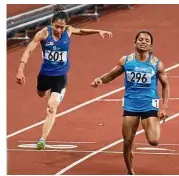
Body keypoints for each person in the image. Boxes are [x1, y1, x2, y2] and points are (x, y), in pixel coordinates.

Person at [15, 5, 113, 150]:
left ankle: (42, 139)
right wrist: (20, 70)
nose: (59, 30)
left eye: (62, 27)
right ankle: (50, 94)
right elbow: (29, 50)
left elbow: (82, 31)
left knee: (51, 107)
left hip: (60, 77)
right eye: (56, 27)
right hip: (44, 76)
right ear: (51, 24)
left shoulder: (68, 31)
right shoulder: (43, 34)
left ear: (66, 25)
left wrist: (97, 31)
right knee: (41, 94)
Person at [91, 30, 170, 175]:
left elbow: (165, 85)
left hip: (149, 104)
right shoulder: (126, 61)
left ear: (151, 46)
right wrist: (100, 79)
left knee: (154, 141)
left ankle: (152, 125)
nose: (143, 42)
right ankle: (130, 171)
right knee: (127, 142)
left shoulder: (156, 64)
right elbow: (111, 75)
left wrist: (164, 107)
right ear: (135, 43)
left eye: (147, 40)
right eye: (140, 39)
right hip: (131, 105)